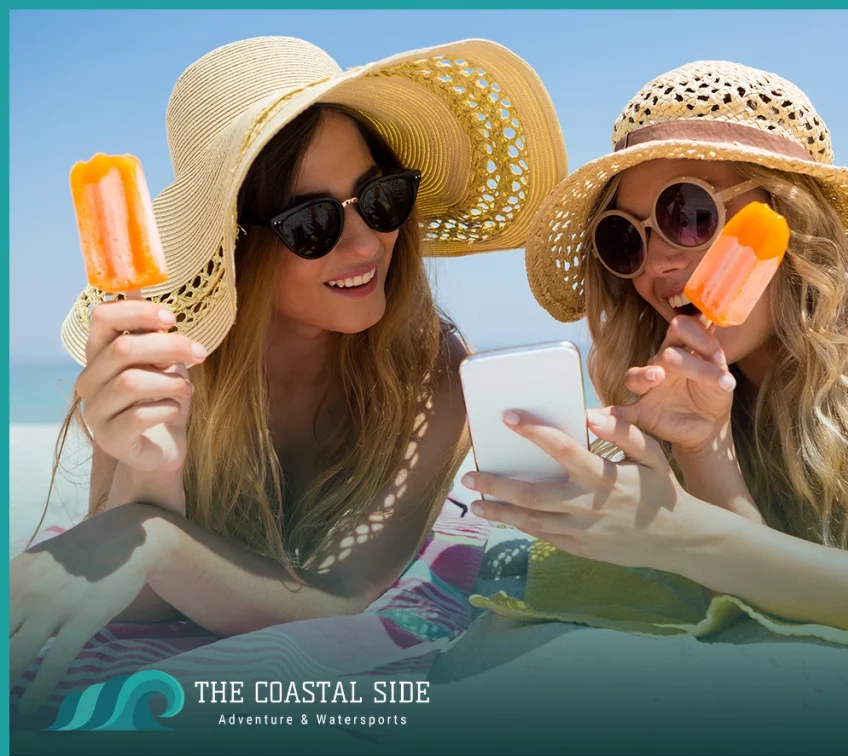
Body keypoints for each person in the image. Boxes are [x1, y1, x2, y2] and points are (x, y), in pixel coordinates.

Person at [10, 35, 566, 712]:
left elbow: (344, 595)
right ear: (233, 245)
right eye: (311, 223)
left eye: (381, 197)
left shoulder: (433, 374)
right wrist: (152, 481)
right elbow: (132, 602)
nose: (365, 244)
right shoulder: (158, 357)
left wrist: (154, 539)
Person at [463, 60, 848, 634]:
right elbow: (751, 603)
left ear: (789, 213)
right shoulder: (649, 368)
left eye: (688, 214)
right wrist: (703, 448)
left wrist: (678, 531)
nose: (657, 264)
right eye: (624, 238)